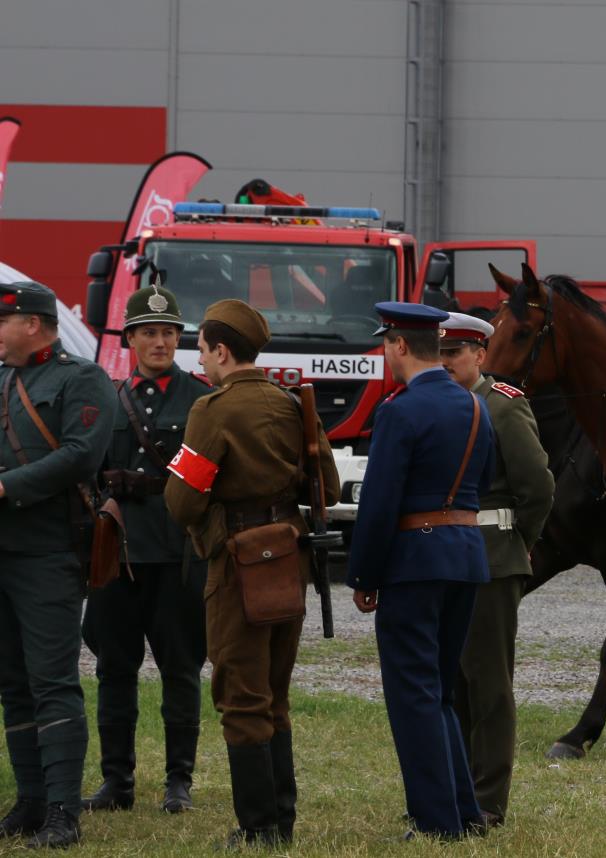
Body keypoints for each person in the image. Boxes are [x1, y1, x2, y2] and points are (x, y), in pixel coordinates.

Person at [164, 298, 338, 847]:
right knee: (274, 695)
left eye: (204, 351)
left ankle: (259, 828)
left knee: (241, 697)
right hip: (288, 558)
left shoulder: (212, 410)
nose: (202, 361)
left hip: (237, 563)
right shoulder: (293, 405)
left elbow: (181, 501)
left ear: (221, 349)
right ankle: (280, 820)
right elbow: (328, 487)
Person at [347, 302, 495, 840]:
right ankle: (464, 813)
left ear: (400, 346)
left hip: (414, 560)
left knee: (414, 696)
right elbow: (489, 476)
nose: (386, 352)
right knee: (438, 692)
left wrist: (364, 575)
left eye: (386, 343)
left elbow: (380, 502)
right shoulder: (476, 406)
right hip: (465, 554)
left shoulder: (399, 410)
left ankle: (437, 824)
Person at [83, 286, 210, 816]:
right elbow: (89, 473)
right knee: (114, 669)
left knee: (181, 670)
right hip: (119, 553)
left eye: (169, 332)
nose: (160, 341)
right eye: (150, 332)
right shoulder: (107, 398)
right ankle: (117, 781)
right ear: (131, 337)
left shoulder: (201, 397)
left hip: (178, 551)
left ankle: (178, 781)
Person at [0, 280, 116, 849]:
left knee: (52, 682)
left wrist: (5, 488)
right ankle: (31, 799)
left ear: (33, 324)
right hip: (2, 549)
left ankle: (64, 811)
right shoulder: (2, 377)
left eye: (2, 324)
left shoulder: (81, 378)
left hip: (48, 552)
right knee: (13, 682)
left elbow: (80, 455)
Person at [437, 312, 554, 828]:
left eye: (456, 353)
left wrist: (518, 542)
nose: (447, 362)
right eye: (439, 353)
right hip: (444, 555)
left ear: (480, 355)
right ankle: (457, 789)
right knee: (453, 683)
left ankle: (488, 801)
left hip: (491, 554)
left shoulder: (502, 406)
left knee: (488, 683)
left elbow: (538, 486)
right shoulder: (436, 405)